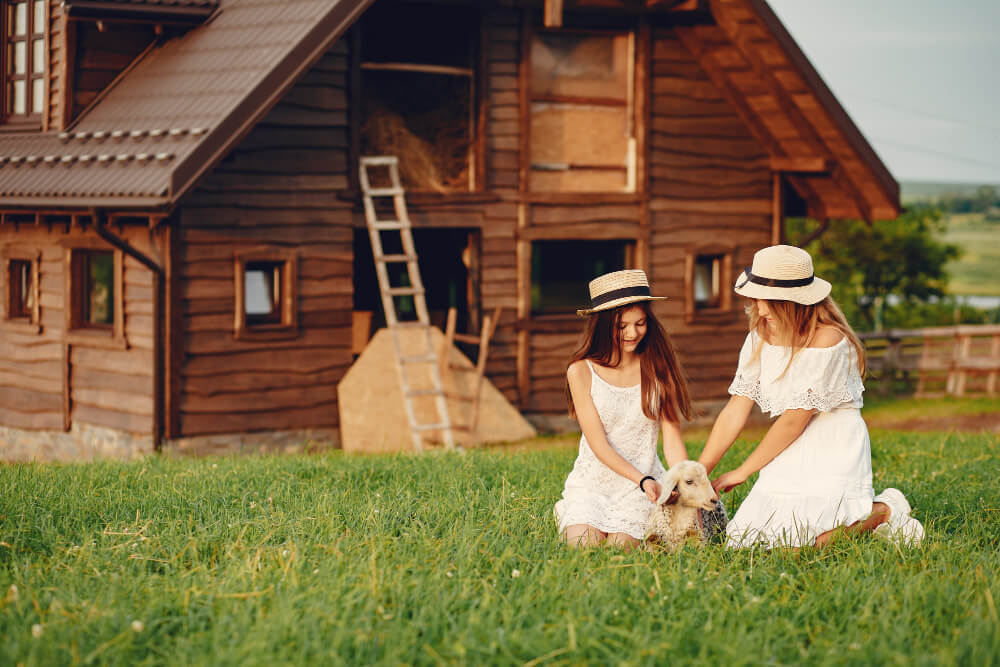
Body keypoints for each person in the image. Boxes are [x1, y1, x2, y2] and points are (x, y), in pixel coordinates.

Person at [699, 245, 924, 548]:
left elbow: (794, 420)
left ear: (796, 301)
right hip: (794, 444)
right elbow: (735, 409)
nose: (761, 309)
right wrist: (698, 473)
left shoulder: (828, 339)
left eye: (771, 301)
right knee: (746, 542)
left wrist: (742, 471)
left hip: (833, 442)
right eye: (757, 299)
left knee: (808, 545)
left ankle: (884, 510)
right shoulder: (758, 335)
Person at [554, 269, 692, 549]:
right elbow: (598, 444)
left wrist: (683, 481)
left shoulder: (659, 369)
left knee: (621, 546)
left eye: (640, 323)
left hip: (644, 487)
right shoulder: (580, 371)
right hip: (594, 483)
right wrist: (640, 479)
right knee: (584, 545)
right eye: (621, 326)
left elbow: (672, 438)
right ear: (603, 326)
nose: (633, 333)